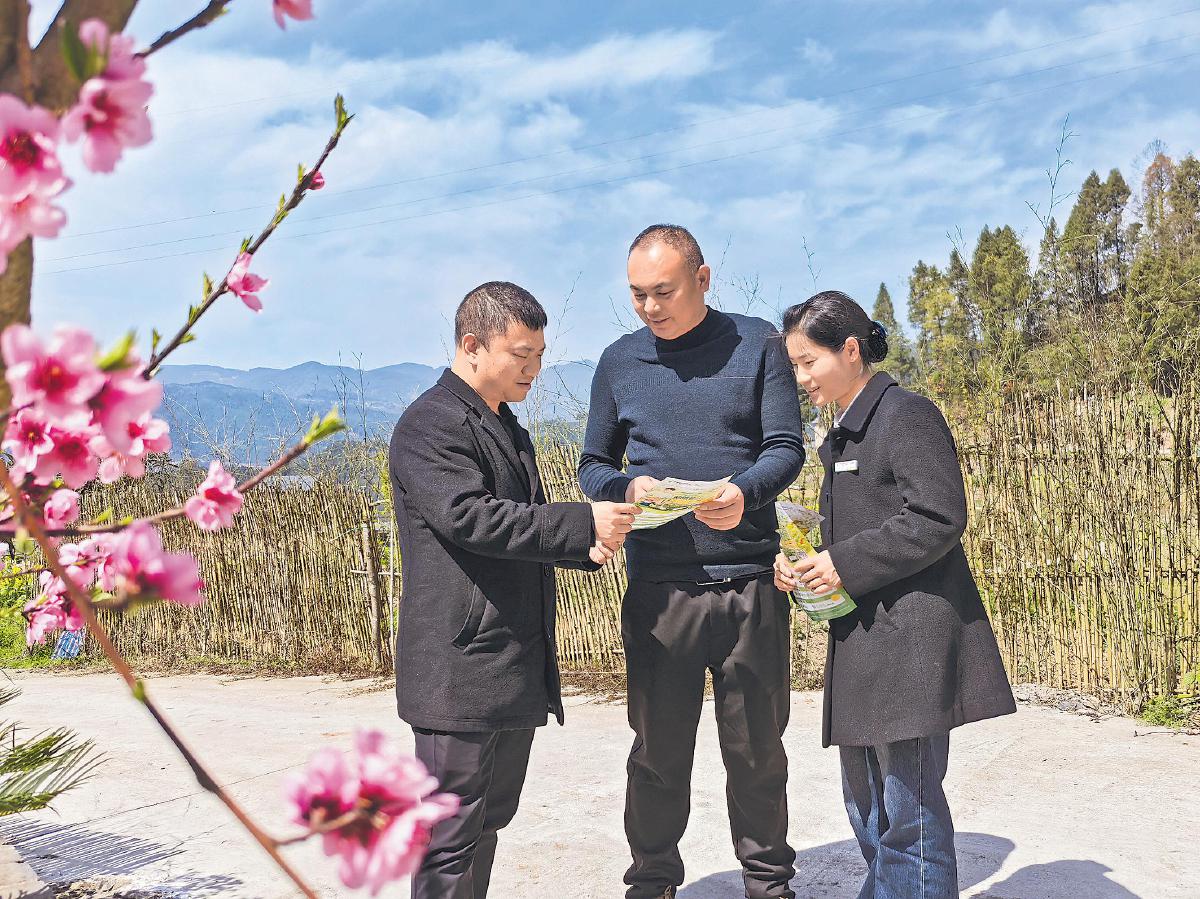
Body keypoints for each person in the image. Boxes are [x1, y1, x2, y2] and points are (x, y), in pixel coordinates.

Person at [389, 281, 639, 899]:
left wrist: (585, 545)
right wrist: (581, 524)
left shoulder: (505, 424)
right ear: (472, 345)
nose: (533, 369)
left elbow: (520, 527)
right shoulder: (432, 423)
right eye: (521, 355)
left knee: (487, 823)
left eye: (540, 356)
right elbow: (470, 517)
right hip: (458, 666)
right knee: (448, 837)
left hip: (506, 660)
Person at [579, 225, 806, 899]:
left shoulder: (758, 343)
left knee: (758, 751)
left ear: (702, 279)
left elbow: (786, 447)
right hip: (660, 590)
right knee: (657, 753)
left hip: (750, 585)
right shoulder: (618, 362)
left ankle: (769, 884)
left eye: (664, 291)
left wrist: (745, 493)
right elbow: (592, 465)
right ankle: (651, 882)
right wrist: (630, 487)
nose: (650, 307)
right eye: (637, 294)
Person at [774, 290, 1017, 899]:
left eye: (809, 361)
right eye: (795, 365)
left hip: (910, 644)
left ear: (850, 350)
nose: (801, 378)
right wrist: (805, 565)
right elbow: (860, 530)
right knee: (867, 805)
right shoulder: (846, 432)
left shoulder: (905, 415)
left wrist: (842, 563)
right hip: (865, 642)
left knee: (908, 809)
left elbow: (938, 516)